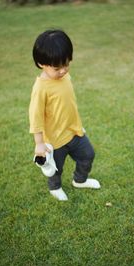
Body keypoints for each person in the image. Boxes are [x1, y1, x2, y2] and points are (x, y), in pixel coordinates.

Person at [29, 30, 101, 201]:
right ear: (41, 63)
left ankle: (80, 180)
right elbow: (35, 117)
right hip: (54, 141)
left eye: (66, 64)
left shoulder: (65, 76)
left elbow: (67, 104)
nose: (63, 71)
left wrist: (76, 123)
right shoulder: (41, 89)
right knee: (55, 169)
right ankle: (55, 187)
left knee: (88, 155)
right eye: (57, 68)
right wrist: (39, 143)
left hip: (74, 132)